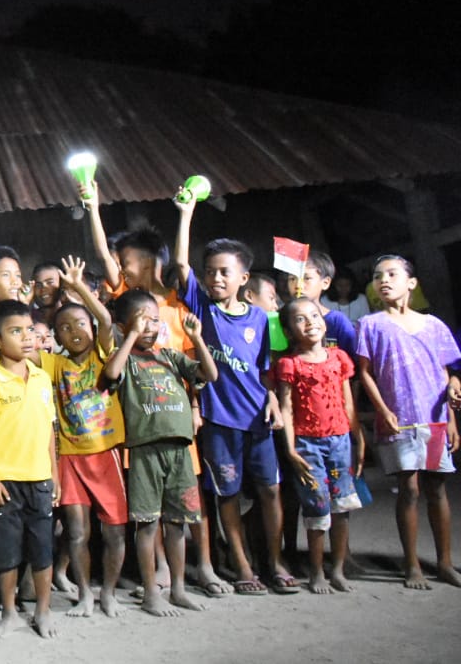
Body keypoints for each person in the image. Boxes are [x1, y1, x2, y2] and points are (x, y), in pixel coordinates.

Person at [175, 197, 296, 595]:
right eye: (210, 271)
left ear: (243, 277)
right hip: (219, 422)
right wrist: (186, 213)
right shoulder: (201, 309)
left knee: (270, 491)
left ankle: (274, 561)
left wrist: (273, 399)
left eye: (224, 272)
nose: (216, 278)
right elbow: (181, 265)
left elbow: (263, 370)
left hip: (257, 419)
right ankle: (242, 565)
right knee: (226, 495)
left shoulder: (259, 318)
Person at [100, 289, 218, 617]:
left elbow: (210, 374)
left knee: (178, 523)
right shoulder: (126, 358)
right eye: (141, 321)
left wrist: (197, 338)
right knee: (147, 524)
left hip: (180, 450)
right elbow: (110, 375)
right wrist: (131, 336)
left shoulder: (169, 356)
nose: (150, 327)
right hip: (145, 452)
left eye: (154, 320)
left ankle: (177, 589)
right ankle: (151, 592)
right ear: (123, 326)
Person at [356, 255, 461, 589]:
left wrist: (452, 415)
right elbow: (365, 373)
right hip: (398, 420)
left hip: (434, 419)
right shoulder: (371, 325)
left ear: (411, 283)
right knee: (409, 488)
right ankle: (412, 564)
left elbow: (446, 372)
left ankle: (444, 562)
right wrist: (382, 409)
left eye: (392, 274)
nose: (383, 280)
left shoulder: (433, 325)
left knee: (436, 487)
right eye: (378, 276)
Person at [0, 300, 59, 638]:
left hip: (40, 479)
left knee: (43, 550)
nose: (27, 337)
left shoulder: (42, 378)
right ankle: (8, 612)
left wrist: (55, 474)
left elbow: (49, 430)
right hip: (5, 482)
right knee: (6, 552)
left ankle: (43, 611)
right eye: (16, 331)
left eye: (30, 330)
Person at [42, 257, 127, 618]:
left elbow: (105, 320)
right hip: (70, 459)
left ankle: (108, 593)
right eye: (64, 327)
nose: (73, 330)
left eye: (79, 323)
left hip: (105, 454)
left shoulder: (102, 354)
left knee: (114, 532)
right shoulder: (55, 365)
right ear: (56, 337)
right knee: (77, 533)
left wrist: (77, 288)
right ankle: (84, 596)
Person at [274, 298, 362, 594]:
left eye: (314, 315)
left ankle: (337, 569)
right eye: (300, 319)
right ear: (288, 331)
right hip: (308, 445)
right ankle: (316, 571)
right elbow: (286, 408)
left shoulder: (339, 358)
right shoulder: (289, 364)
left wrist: (358, 436)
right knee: (317, 506)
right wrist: (290, 449)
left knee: (342, 505)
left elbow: (348, 402)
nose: (310, 322)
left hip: (340, 441)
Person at [285, 251, 357, 361]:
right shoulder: (281, 319)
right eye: (292, 279)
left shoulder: (336, 321)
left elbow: (353, 359)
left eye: (307, 278)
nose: (298, 285)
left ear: (325, 283)